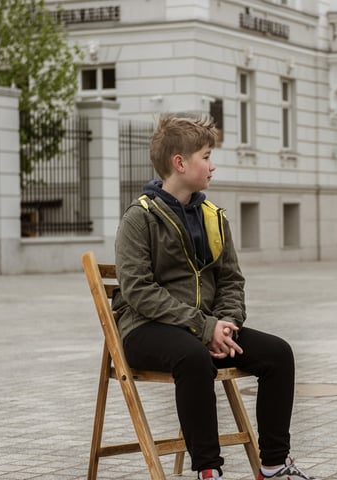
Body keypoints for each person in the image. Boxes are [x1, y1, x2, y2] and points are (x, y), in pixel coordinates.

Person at [112, 114, 314, 480]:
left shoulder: (213, 216)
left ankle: (273, 465)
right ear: (180, 163)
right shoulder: (139, 218)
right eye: (205, 156)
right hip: (145, 329)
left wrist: (227, 325)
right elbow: (139, 290)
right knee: (191, 358)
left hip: (205, 328)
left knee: (278, 354)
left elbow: (232, 280)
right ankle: (209, 470)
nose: (212, 164)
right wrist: (204, 328)